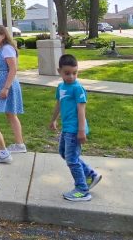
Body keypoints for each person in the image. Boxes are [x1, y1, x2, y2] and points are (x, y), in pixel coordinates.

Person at [50, 54, 98, 201]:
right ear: (59, 71)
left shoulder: (78, 88)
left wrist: (81, 130)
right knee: (64, 153)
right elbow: (59, 104)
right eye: (67, 73)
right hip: (66, 128)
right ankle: (90, 174)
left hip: (75, 129)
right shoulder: (61, 87)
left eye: (74, 73)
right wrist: (53, 120)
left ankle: (82, 190)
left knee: (71, 159)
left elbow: (81, 110)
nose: (71, 76)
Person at [0, 25, 26, 154]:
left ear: (3, 35)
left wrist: (6, 88)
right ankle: (19, 144)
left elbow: (13, 69)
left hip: (6, 86)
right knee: (6, 114)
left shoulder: (7, 49)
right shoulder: (0, 49)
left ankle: (19, 144)